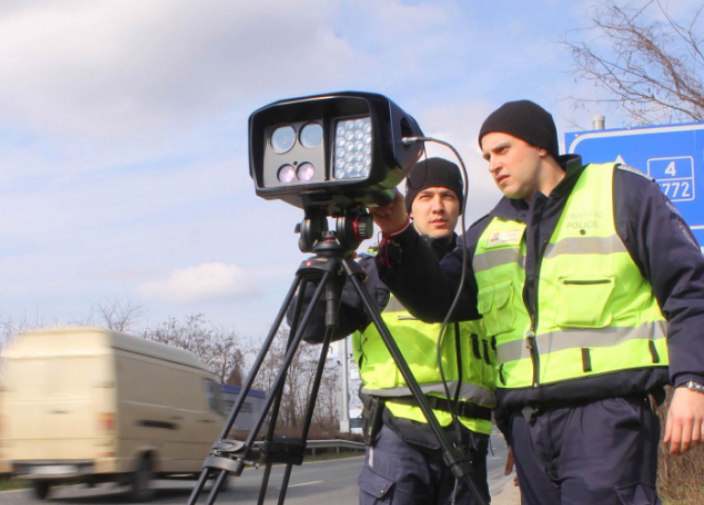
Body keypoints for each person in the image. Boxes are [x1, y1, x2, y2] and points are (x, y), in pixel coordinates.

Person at [369, 100, 704, 505]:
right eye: (486, 156)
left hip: (607, 415)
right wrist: (399, 232)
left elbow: (689, 287)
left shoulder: (620, 193)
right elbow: (436, 300)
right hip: (528, 427)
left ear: (541, 145)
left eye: (503, 150)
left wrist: (691, 381)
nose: (493, 164)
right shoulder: (486, 232)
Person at [288, 158, 495, 505]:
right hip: (399, 439)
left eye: (448, 196)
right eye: (426, 196)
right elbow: (308, 328)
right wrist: (333, 261)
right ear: (409, 207)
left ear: (461, 205)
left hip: (469, 440)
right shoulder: (374, 272)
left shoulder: (482, 273)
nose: (438, 206)